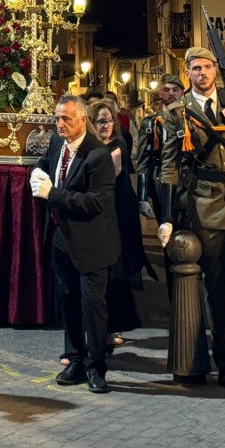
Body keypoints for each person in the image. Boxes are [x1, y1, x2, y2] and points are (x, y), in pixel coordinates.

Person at [157, 46, 225, 386]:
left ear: (215, 70)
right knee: (216, 284)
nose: (203, 73)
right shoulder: (178, 113)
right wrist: (165, 215)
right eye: (196, 69)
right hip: (207, 201)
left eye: (207, 67)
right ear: (187, 73)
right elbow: (169, 165)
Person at [30, 95, 118, 394]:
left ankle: (96, 368)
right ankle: (76, 359)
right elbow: (46, 162)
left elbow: (94, 203)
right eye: (57, 118)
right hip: (60, 236)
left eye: (66, 118)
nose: (60, 124)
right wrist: (38, 171)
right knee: (67, 300)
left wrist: (51, 193)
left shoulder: (98, 155)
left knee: (92, 306)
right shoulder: (58, 143)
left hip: (92, 241)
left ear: (83, 120)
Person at [93, 99, 143, 349]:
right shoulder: (90, 146)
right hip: (98, 214)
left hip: (116, 213)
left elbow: (105, 179)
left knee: (116, 270)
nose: (106, 125)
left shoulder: (117, 145)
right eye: (100, 121)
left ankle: (114, 327)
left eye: (109, 120)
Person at [133, 74, 185, 220]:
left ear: (182, 92)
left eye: (175, 89)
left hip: (190, 182)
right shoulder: (150, 124)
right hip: (161, 182)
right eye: (166, 90)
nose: (171, 93)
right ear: (160, 93)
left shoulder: (193, 119)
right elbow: (143, 160)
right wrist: (142, 197)